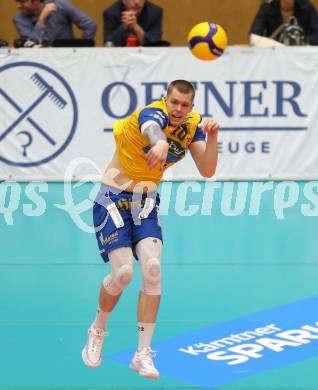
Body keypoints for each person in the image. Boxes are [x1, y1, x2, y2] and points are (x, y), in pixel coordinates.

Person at [82, 80, 219, 379]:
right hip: (112, 197)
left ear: (192, 106)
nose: (178, 109)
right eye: (174, 102)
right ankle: (97, 329)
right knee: (123, 275)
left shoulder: (191, 125)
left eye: (185, 104)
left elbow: (207, 171)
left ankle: (142, 354)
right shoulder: (151, 114)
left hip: (145, 200)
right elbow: (152, 129)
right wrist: (158, 142)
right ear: (165, 100)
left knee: (153, 270)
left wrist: (213, 137)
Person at [13, 0, 97, 47]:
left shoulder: (60, 5)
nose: (18, 6)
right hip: (39, 61)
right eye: (16, 1)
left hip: (67, 57)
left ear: (36, 1)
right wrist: (41, 19)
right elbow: (30, 44)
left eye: (22, 1)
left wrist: (82, 49)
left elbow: (90, 26)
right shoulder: (19, 19)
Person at [249, 0, 318, 45]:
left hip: (299, 53)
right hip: (274, 53)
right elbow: (255, 34)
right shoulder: (268, 6)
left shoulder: (306, 6)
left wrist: (303, 42)